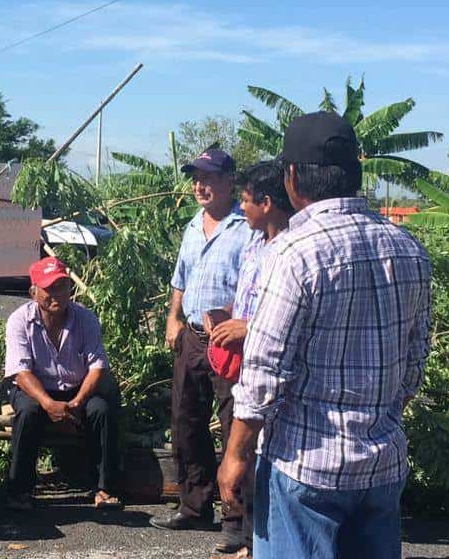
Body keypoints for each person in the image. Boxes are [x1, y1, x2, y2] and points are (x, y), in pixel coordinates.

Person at [218, 112, 433, 559]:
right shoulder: (409, 248)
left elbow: (264, 372)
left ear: (292, 177)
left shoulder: (294, 253)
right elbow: (414, 364)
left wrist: (236, 454)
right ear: (354, 172)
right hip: (382, 466)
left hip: (306, 468)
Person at [151, 146, 254, 550]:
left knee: (235, 425)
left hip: (229, 340)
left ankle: (236, 517)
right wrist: (172, 317)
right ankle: (194, 505)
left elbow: (255, 284)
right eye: (196, 178)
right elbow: (181, 278)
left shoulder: (246, 227)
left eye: (208, 178)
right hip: (192, 336)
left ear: (230, 182)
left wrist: (231, 314)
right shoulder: (194, 225)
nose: (200, 185)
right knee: (185, 419)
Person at [204, 160, 294, 557]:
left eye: (245, 201)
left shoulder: (291, 250)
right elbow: (248, 296)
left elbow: (286, 319)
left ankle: (259, 542)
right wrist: (227, 315)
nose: (242, 209)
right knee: (239, 449)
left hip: (272, 372)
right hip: (242, 364)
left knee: (259, 455)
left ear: (269, 202)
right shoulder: (255, 242)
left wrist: (248, 327)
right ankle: (246, 538)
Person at [2, 257, 123, 512]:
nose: (57, 294)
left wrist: (77, 402)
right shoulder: (19, 320)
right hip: (34, 388)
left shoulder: (86, 319)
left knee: (101, 410)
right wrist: (48, 403)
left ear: (70, 288)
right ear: (33, 292)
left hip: (77, 389)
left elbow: (97, 366)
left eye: (62, 286)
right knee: (28, 412)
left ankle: (105, 488)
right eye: (50, 288)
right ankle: (19, 490)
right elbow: (21, 373)